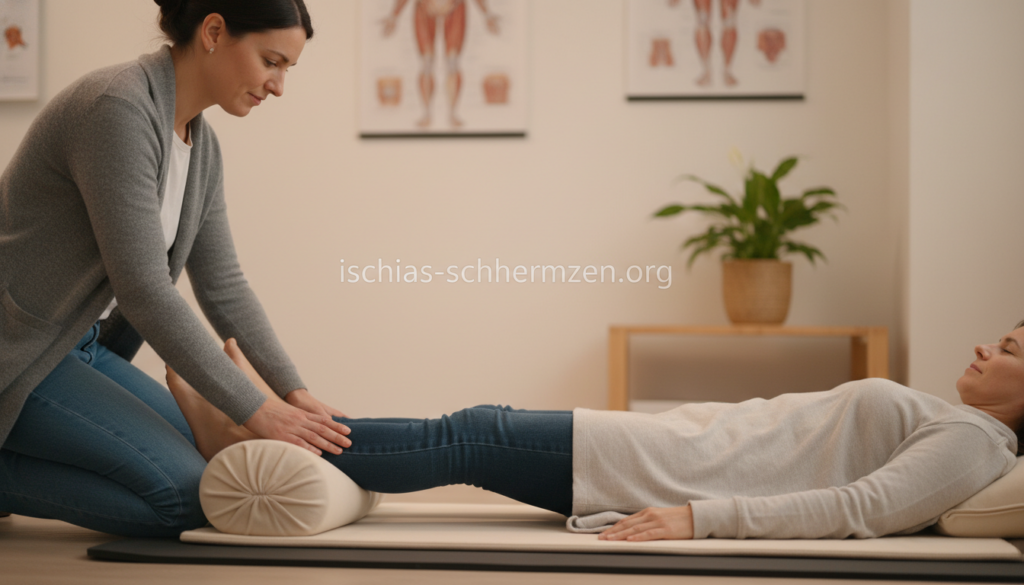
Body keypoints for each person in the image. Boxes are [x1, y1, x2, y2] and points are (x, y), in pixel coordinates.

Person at [0, 0, 351, 538]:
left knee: (213, 481)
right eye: (271, 61)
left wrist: (291, 391)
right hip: (21, 352)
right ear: (214, 31)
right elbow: (144, 289)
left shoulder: (200, 145)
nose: (278, 86)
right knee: (185, 499)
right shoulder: (116, 108)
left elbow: (224, 285)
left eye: (287, 69)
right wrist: (256, 409)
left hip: (79, 347)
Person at [169, 321, 1024, 541]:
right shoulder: (961, 423)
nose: (986, 345)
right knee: (469, 432)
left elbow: (861, 507)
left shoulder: (978, 443)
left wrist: (701, 517)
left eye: (1011, 347)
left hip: (671, 469)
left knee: (469, 433)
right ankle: (273, 428)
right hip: (670, 446)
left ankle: (260, 436)